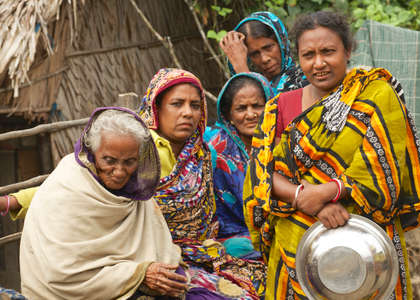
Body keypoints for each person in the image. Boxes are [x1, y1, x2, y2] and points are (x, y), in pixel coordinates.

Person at [243, 11, 420, 299]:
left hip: (368, 248)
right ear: (298, 57)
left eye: (328, 52)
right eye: (308, 54)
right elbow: (261, 173)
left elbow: (387, 170)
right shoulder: (280, 107)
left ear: (347, 51)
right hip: (296, 243)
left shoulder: (376, 95)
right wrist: (308, 201)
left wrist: (329, 190)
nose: (318, 63)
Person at [20, 107, 187, 299]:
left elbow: (158, 247)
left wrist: (156, 272)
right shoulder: (67, 187)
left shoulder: (135, 190)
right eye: (109, 160)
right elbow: (61, 273)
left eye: (129, 161)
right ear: (93, 153)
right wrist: (139, 274)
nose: (119, 171)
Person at [139, 68, 266, 299]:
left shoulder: (203, 156)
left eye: (195, 105)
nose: (187, 113)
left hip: (202, 251)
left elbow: (205, 223)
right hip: (153, 259)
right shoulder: (139, 154)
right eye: (177, 104)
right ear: (156, 108)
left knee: (269, 282)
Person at [203, 72, 273, 258]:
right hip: (232, 237)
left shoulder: (283, 142)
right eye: (241, 108)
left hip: (276, 229)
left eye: (257, 106)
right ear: (229, 115)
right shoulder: (215, 148)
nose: (251, 114)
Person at [220, 11, 308, 94]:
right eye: (254, 54)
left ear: (282, 43)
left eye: (268, 47)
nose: (264, 59)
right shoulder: (239, 88)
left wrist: (242, 72)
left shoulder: (306, 79)